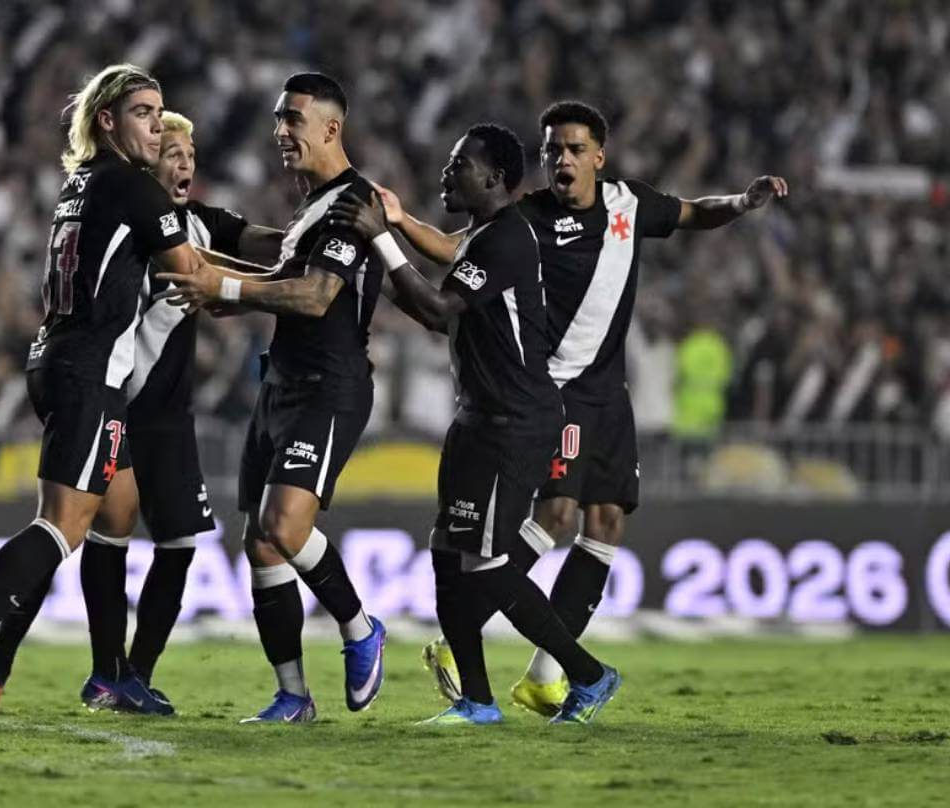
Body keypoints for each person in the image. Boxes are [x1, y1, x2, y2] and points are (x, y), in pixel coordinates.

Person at [333, 100, 787, 717]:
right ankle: (484, 646)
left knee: (606, 523)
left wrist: (740, 202)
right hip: (553, 386)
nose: (562, 160)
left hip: (607, 390)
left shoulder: (629, 204)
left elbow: (691, 212)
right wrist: (399, 221)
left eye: (574, 149)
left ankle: (544, 673)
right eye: (552, 150)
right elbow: (459, 252)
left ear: (599, 156)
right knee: (553, 515)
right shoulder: (526, 218)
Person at [0, 65, 214, 723]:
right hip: (90, 373)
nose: (155, 125)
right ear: (107, 120)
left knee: (118, 509)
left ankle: (109, 674)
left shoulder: (82, 183)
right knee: (61, 525)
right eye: (142, 112)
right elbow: (191, 274)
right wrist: (285, 284)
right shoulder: (133, 186)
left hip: (57, 359)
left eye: (158, 111)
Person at [0, 112, 283, 717]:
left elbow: (252, 240)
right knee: (76, 529)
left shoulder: (198, 220)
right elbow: (204, 275)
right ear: (145, 162)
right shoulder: (142, 224)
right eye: (171, 153)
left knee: (168, 541)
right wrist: (288, 287)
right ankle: (13, 665)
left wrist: (306, 242)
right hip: (122, 399)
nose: (184, 164)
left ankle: (125, 674)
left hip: (168, 415)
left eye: (190, 155)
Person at [332, 123, 620, 725]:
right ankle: (478, 701)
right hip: (478, 417)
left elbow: (438, 309)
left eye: (459, 164)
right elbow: (432, 304)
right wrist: (382, 248)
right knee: (447, 553)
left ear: (494, 178)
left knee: (485, 563)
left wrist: (383, 238)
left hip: (515, 422)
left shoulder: (507, 240)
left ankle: (589, 675)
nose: (446, 172)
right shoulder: (483, 236)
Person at [157, 73, 386, 724]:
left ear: (331, 128)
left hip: (330, 388)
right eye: (278, 118)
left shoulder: (352, 203)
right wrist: (212, 278)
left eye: (293, 119)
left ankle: (361, 628)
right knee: (260, 542)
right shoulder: (310, 206)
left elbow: (314, 295)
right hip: (281, 383)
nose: (281, 131)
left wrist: (224, 288)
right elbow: (279, 279)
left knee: (285, 527)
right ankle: (293, 696)